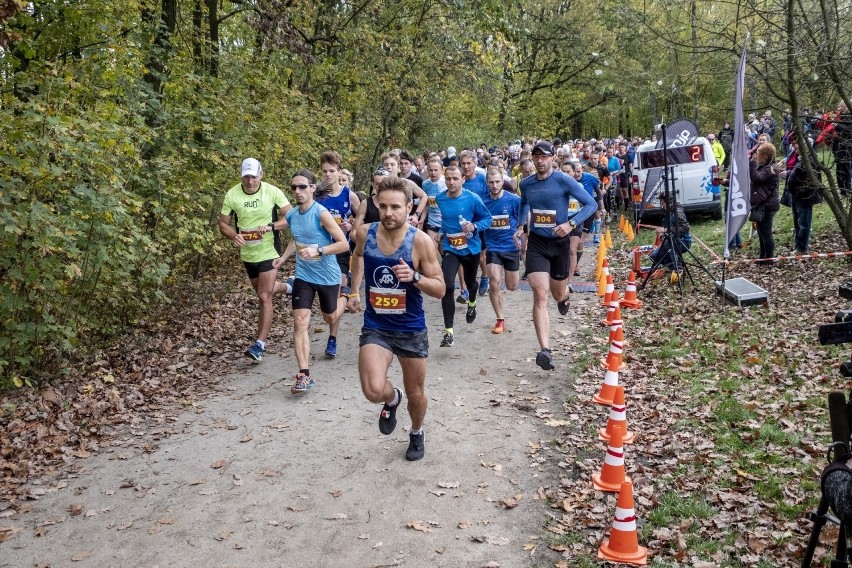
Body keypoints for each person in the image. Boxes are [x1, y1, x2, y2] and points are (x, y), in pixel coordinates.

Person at [347, 176, 445, 461]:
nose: (389, 213)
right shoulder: (365, 233)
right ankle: (391, 398)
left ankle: (416, 431)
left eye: (396, 207)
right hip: (377, 325)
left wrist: (415, 277)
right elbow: (356, 256)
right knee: (373, 389)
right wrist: (354, 291)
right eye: (384, 206)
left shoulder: (421, 242)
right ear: (376, 203)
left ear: (408, 207)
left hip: (410, 328)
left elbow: (439, 289)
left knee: (416, 392)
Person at [516, 141, 596, 371]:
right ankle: (545, 351)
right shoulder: (527, 183)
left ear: (553, 158)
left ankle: (564, 297)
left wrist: (571, 224)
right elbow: (523, 204)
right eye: (536, 157)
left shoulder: (563, 180)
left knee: (557, 293)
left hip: (560, 244)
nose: (540, 161)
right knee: (540, 294)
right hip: (538, 243)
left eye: (544, 157)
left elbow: (590, 204)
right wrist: (521, 226)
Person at [272, 169, 350, 394]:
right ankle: (304, 375)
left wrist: (320, 249)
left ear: (313, 188)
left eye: (302, 187)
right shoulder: (292, 215)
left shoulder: (321, 213)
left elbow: (343, 244)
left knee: (331, 316)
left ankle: (344, 296)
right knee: (300, 321)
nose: (297, 191)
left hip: (327, 275)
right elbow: (296, 238)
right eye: (294, 188)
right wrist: (283, 258)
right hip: (304, 276)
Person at [218, 158, 292, 362]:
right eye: (246, 176)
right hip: (248, 254)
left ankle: (259, 345)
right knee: (264, 290)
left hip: (269, 250)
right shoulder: (232, 194)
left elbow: (292, 217)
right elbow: (223, 224)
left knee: (263, 296)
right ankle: (287, 287)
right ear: (241, 176)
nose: (250, 181)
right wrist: (234, 235)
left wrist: (272, 226)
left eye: (253, 176)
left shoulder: (272, 191)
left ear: (261, 174)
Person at [435, 165, 492, 347]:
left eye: (455, 179)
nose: (451, 182)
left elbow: (488, 219)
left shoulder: (472, 198)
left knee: (471, 282)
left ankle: (472, 302)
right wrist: (442, 231)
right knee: (448, 286)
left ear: (462, 180)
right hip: (450, 248)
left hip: (471, 248)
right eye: (448, 179)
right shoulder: (440, 199)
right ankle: (448, 332)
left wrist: (474, 226)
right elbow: (445, 220)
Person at [315, 150, 360, 357]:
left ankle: (332, 339)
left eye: (332, 171)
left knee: (334, 299)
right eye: (324, 171)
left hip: (341, 250)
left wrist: (350, 226)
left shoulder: (348, 195)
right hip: (320, 251)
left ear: (339, 171)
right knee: (328, 308)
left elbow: (362, 217)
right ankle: (344, 297)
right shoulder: (317, 194)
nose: (328, 175)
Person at [482, 167, 522, 334]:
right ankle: (500, 319)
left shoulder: (514, 200)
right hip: (493, 248)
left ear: (502, 181)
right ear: (487, 183)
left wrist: (521, 231)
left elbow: (523, 220)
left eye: (498, 181)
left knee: (512, 286)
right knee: (494, 282)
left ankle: (500, 294)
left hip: (511, 248)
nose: (495, 185)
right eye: (491, 182)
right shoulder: (483, 202)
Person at [784, 132, 823, 254]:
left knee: (804, 223)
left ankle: (802, 248)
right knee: (797, 223)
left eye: (798, 144)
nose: (795, 147)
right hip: (796, 195)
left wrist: (798, 191)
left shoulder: (810, 159)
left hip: (805, 196)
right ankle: (798, 246)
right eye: (794, 144)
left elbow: (808, 180)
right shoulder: (799, 158)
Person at [748, 142, 782, 264]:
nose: (757, 156)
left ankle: (769, 258)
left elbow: (757, 178)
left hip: (768, 205)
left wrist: (752, 163)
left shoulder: (772, 169)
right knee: (761, 232)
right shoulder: (764, 167)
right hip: (761, 204)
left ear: (766, 156)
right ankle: (762, 256)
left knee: (766, 232)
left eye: (759, 154)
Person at [649, 192, 692, 270]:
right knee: (653, 257)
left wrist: (666, 230)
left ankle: (677, 269)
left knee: (668, 246)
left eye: (661, 201)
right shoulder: (667, 210)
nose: (660, 203)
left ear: (663, 201)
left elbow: (685, 227)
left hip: (683, 241)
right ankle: (671, 265)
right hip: (671, 239)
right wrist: (663, 234)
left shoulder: (677, 212)